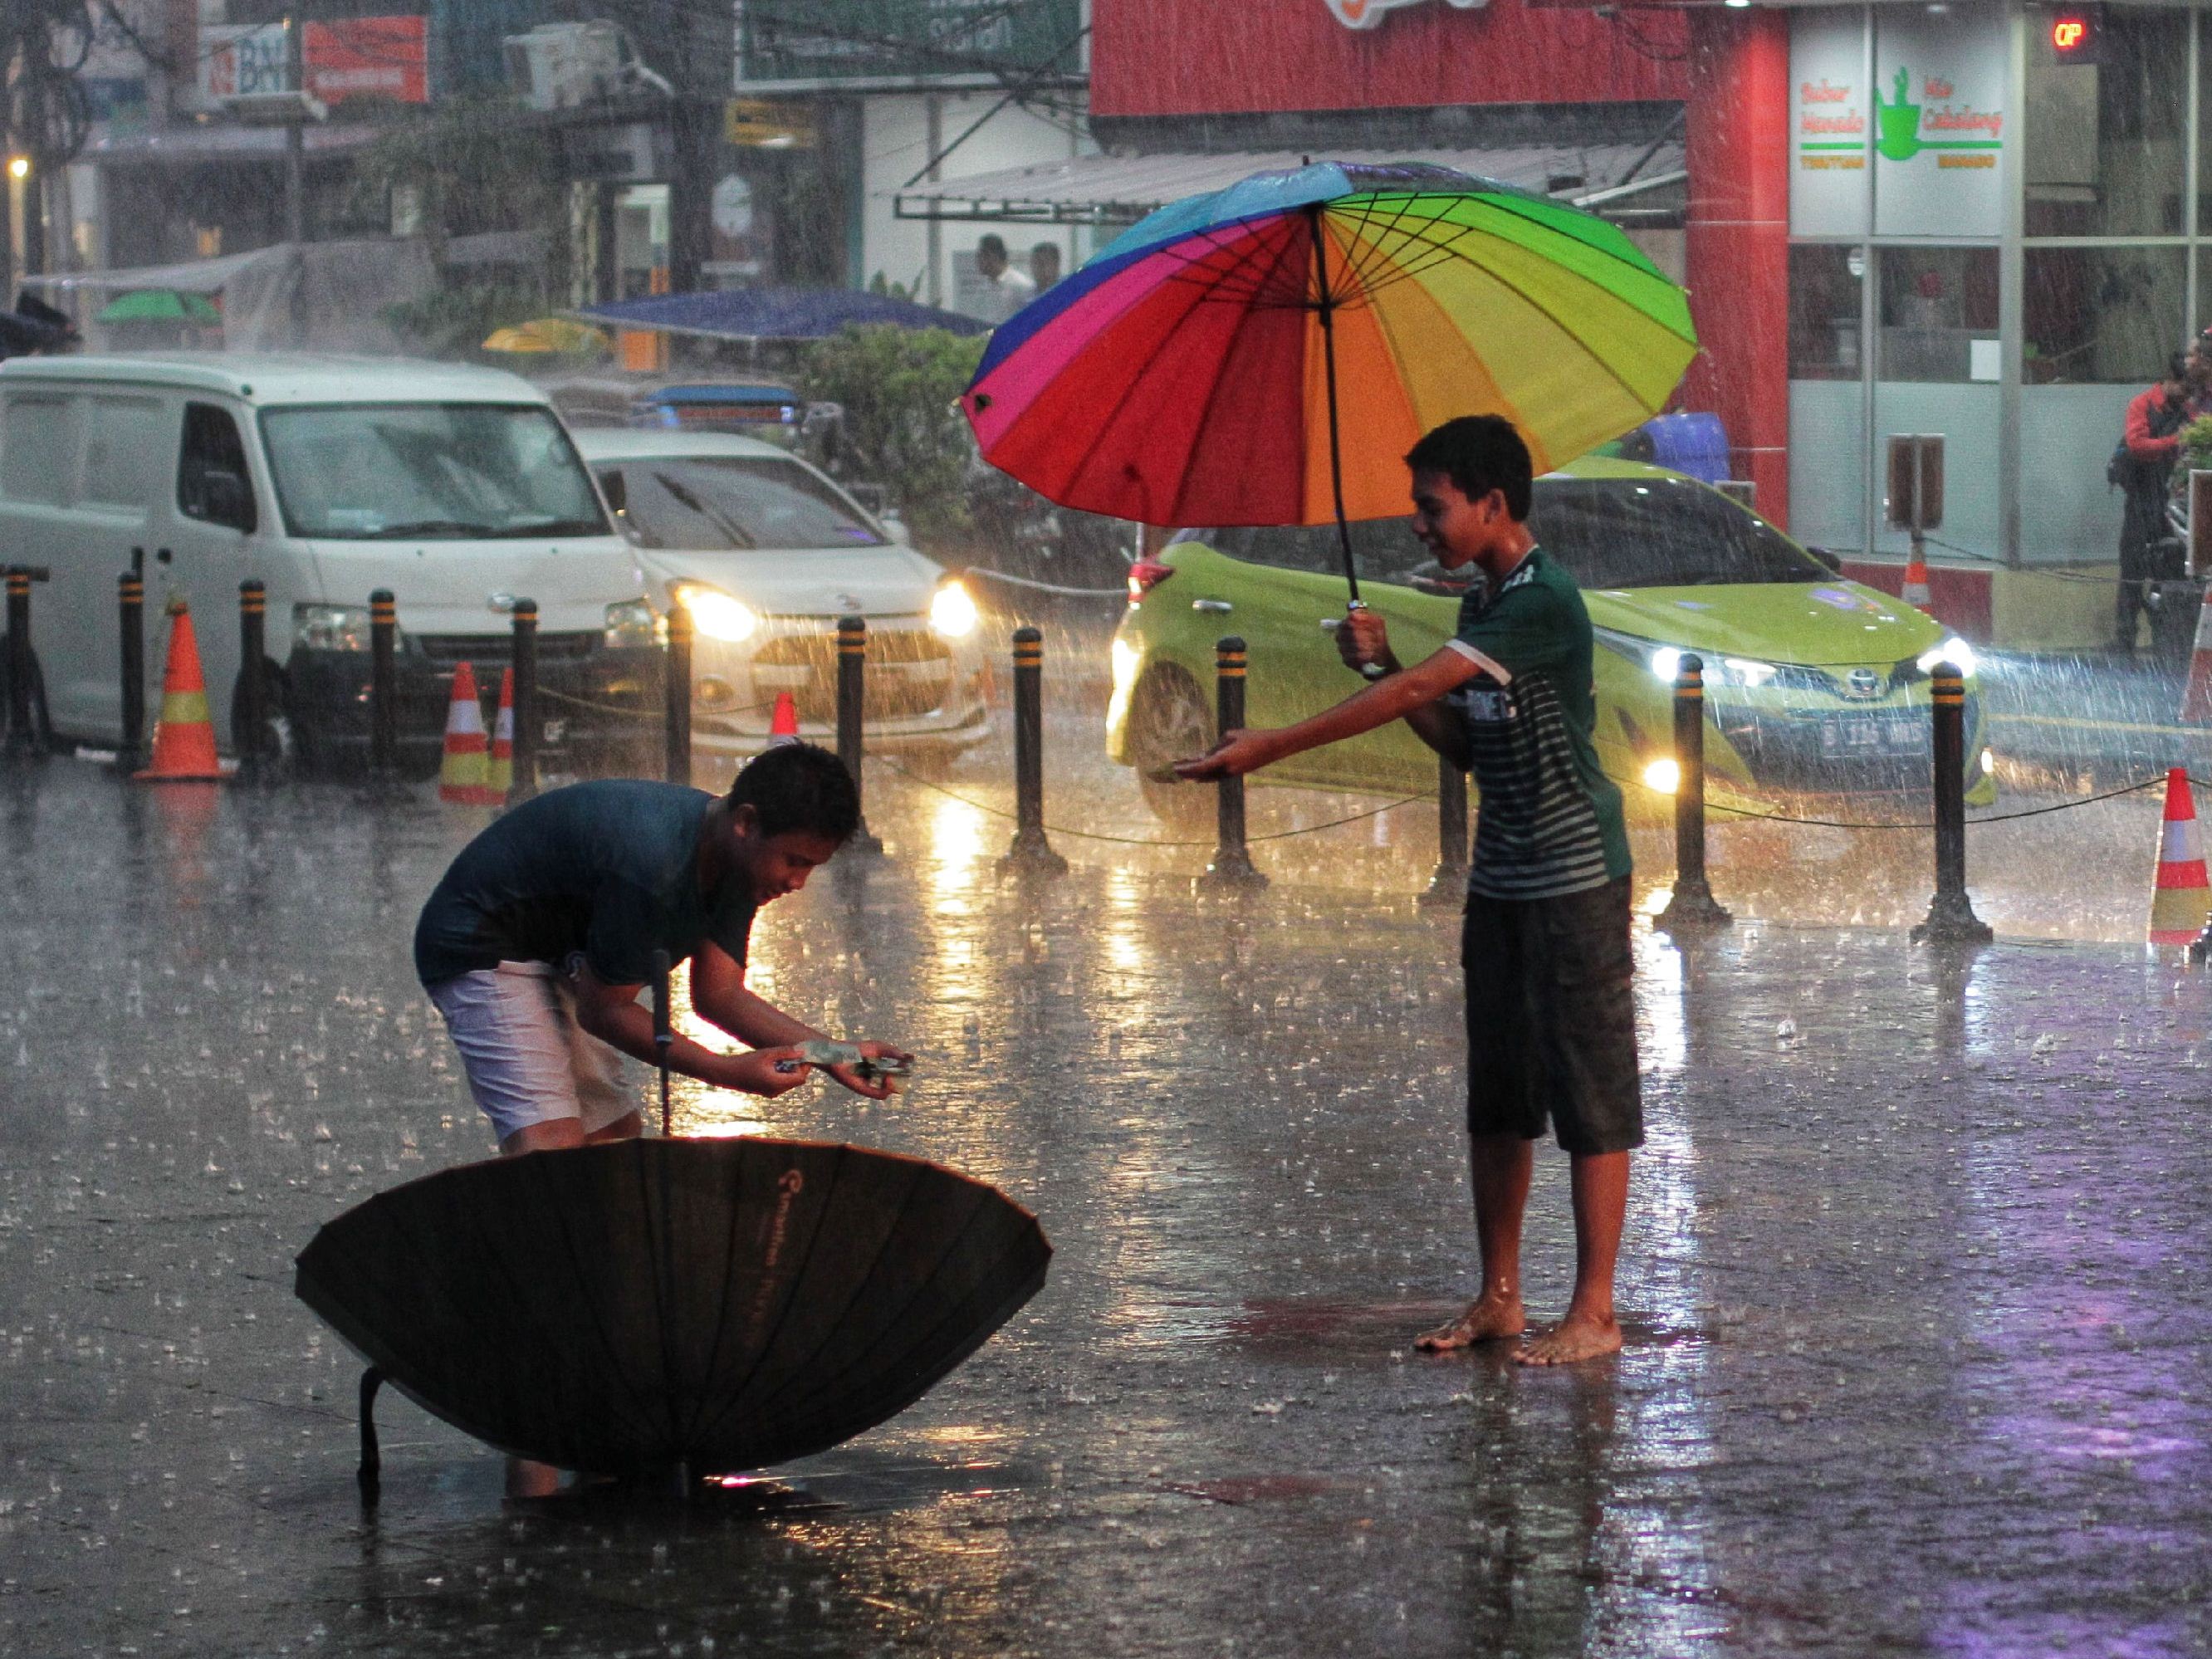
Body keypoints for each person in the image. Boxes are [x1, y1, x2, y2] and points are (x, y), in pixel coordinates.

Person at [1176, 415, 1641, 1366]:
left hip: (1573, 877)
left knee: (1590, 1089)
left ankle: (1594, 1310)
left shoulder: (1542, 603)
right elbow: (1463, 747)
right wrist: (1386, 662)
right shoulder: (1481, 608)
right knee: (1500, 1092)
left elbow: (1401, 701)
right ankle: (1500, 1297)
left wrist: (1270, 743)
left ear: (1492, 504)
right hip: (1504, 876)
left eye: (1434, 508)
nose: (1420, 527)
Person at [414, 743, 911, 1160]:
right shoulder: (656, 868)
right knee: (553, 1152)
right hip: (483, 946)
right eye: (794, 861)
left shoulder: (741, 863)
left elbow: (719, 995)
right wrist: (725, 1072)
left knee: (614, 1144)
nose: (797, 883)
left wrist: (834, 1054)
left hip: (564, 951)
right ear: (746, 823)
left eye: (812, 868)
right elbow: (603, 1010)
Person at [2113, 352, 2194, 653]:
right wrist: (2174, 441)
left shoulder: (2188, 411)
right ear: (2171, 381)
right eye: (2185, 388)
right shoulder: (2143, 405)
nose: (2188, 396)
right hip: (2142, 498)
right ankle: (2124, 639)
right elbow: (2137, 446)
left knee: (2171, 573)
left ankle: (2165, 638)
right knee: (2132, 572)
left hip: (2174, 502)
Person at [970, 233, 1036, 325]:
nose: (977, 261)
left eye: (980, 256)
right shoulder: (983, 287)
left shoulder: (1021, 285)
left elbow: (1031, 319)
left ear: (992, 256)